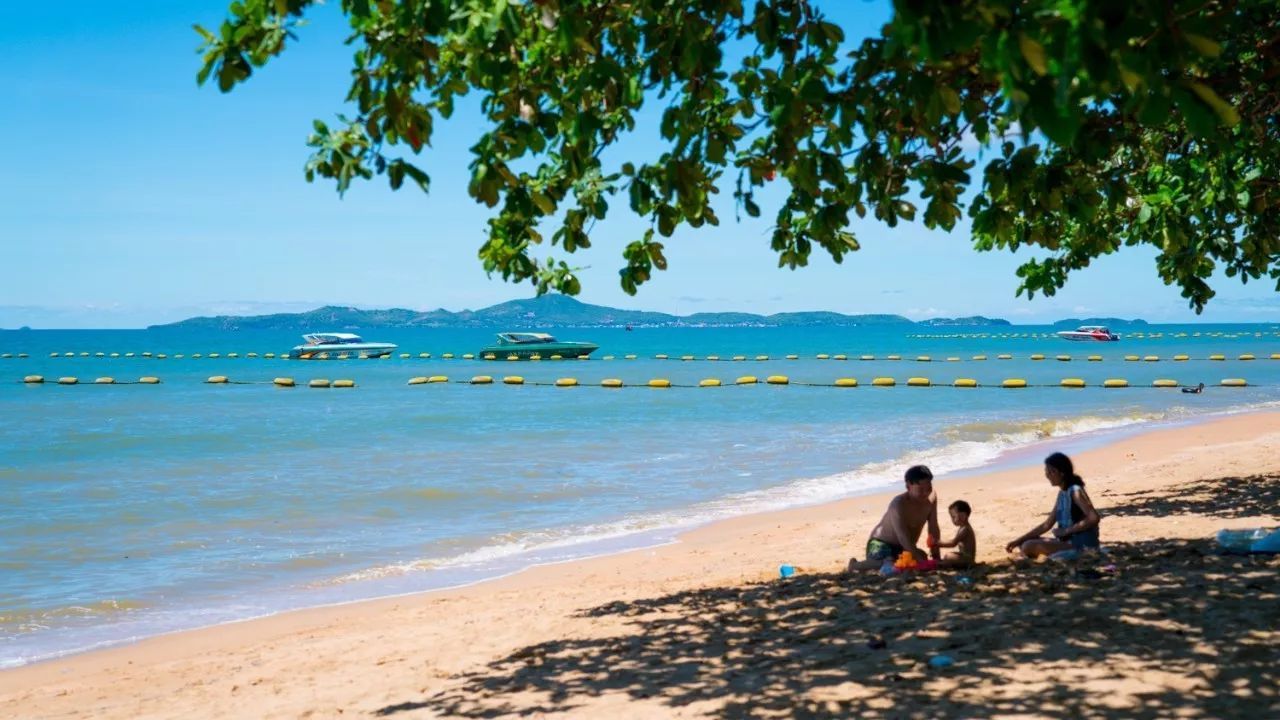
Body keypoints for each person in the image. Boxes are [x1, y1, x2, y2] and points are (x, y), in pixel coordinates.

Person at [1006, 452, 1101, 559]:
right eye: (1047, 472)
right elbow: (1047, 524)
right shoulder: (1062, 493)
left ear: (1062, 473)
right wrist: (1018, 540)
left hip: (1082, 545)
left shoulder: (1075, 490)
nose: (1048, 475)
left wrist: (1066, 531)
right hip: (1067, 542)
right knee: (1025, 542)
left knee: (1028, 546)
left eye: (1052, 472)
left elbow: (1094, 518)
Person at [848, 465, 941, 572]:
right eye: (921, 489)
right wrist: (919, 560)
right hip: (880, 544)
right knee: (887, 563)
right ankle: (854, 565)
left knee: (922, 556)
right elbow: (902, 536)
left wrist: (936, 556)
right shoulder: (898, 504)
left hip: (902, 547)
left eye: (928, 488)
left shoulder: (932, 497)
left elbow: (933, 527)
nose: (925, 493)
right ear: (908, 486)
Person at [934, 500, 976, 568]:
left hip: (968, 560)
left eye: (953, 517)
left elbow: (953, 543)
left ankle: (942, 564)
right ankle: (943, 563)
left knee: (948, 556)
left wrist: (937, 543)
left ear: (963, 516)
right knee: (950, 556)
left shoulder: (965, 529)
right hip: (965, 557)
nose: (952, 520)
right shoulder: (963, 528)